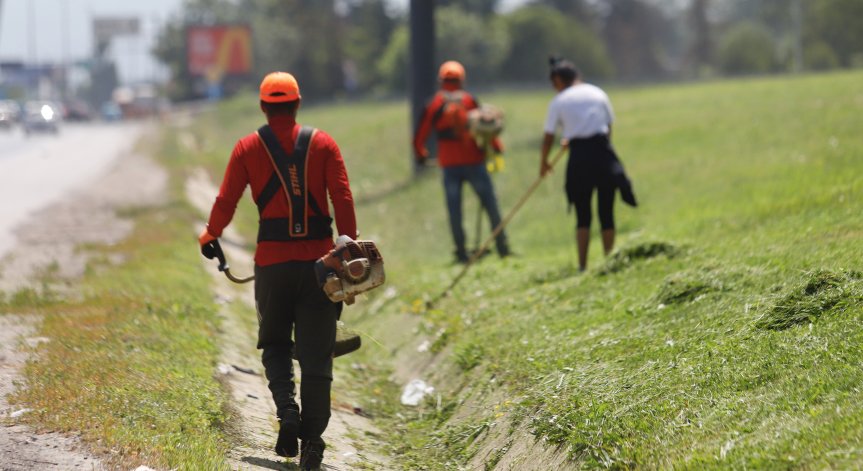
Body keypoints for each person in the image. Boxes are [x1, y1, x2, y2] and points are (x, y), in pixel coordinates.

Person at [198, 72, 356, 470]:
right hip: (320, 266)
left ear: (264, 106)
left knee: (274, 345)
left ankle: (287, 412)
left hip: (271, 265)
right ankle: (313, 443)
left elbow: (226, 199)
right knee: (317, 356)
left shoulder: (247, 147)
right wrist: (347, 243)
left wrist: (210, 234)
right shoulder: (323, 143)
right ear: (297, 104)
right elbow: (342, 196)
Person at [413, 60, 511, 263]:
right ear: (462, 80)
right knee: (490, 204)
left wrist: (421, 155)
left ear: (442, 81)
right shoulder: (469, 101)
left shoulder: (434, 105)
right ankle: (502, 246)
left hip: (449, 165)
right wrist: (497, 147)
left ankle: (461, 252)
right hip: (474, 161)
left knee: (454, 210)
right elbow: (485, 126)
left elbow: (419, 137)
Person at [540, 58, 627, 272]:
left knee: (582, 213)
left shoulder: (560, 101)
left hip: (579, 158)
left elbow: (549, 135)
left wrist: (544, 162)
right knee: (606, 210)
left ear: (559, 80)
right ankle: (609, 262)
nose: (554, 88)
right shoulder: (598, 92)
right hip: (604, 153)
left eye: (554, 84)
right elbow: (607, 128)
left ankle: (582, 265)